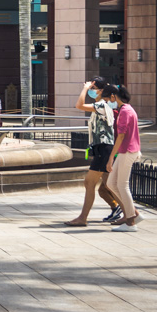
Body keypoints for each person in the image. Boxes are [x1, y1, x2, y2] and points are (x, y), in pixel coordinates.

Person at [65, 77, 122, 227]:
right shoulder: (101, 105)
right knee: (110, 185)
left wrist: (84, 88)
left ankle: (83, 218)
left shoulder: (103, 105)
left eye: (93, 87)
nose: (91, 89)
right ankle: (131, 212)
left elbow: (79, 105)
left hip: (104, 148)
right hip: (101, 148)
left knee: (89, 182)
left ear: (101, 90)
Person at [108, 84, 143, 231]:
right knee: (111, 183)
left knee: (122, 185)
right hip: (127, 151)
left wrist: (111, 158)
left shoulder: (125, 111)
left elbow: (121, 136)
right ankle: (133, 213)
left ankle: (130, 222)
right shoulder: (127, 109)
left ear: (113, 97)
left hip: (127, 151)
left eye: (107, 98)